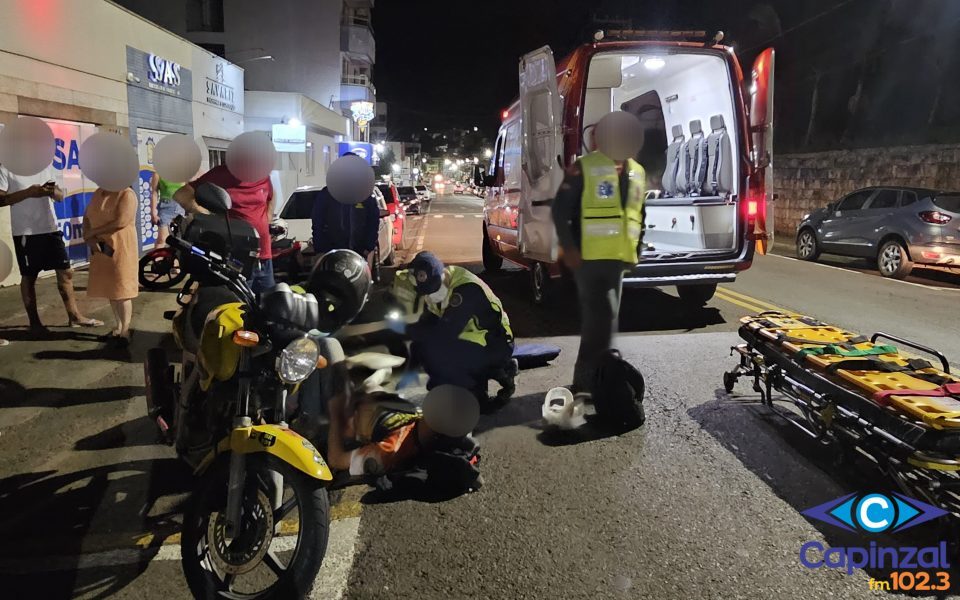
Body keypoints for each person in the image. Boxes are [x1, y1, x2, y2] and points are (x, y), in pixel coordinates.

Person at [551, 111, 647, 398]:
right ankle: (592, 380)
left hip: (618, 258)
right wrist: (569, 249)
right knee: (601, 318)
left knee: (604, 319)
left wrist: (636, 251)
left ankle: (591, 377)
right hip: (589, 258)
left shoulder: (637, 172)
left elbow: (638, 214)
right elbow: (560, 210)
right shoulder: (585, 166)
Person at [390, 251, 517, 405]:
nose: (431, 296)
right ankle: (490, 373)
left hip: (496, 342)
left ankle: (479, 395)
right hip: (473, 339)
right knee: (424, 347)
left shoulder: (466, 290)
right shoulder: (437, 284)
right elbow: (429, 321)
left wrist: (411, 333)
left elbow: (446, 333)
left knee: (445, 353)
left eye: (434, 290)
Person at [0, 164, 103, 336]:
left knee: (66, 272)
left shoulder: (46, 166)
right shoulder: (7, 168)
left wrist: (51, 192)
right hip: (25, 232)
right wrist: (29, 192)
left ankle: (75, 316)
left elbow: (61, 196)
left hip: (51, 228)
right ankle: (35, 323)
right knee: (29, 276)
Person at [173, 164, 275, 293]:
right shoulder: (220, 174)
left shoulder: (263, 176)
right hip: (237, 260)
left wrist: (267, 219)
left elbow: (270, 198)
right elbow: (182, 194)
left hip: (264, 257)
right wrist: (207, 217)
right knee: (237, 308)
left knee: (269, 306)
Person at [83, 186, 139, 346]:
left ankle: (125, 331)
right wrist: (88, 236)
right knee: (111, 289)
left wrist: (92, 232)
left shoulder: (127, 194)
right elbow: (87, 216)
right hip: (101, 248)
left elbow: (121, 221)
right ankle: (118, 327)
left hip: (121, 246)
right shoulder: (98, 193)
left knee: (122, 290)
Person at [310, 186, 379, 256]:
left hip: (358, 253)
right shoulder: (326, 194)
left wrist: (368, 247)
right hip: (332, 253)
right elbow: (317, 223)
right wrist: (320, 250)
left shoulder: (363, 194)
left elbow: (373, 222)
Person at [149, 172, 184, 247]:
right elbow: (154, 194)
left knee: (181, 241)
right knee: (162, 239)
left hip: (182, 207)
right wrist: (153, 212)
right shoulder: (157, 174)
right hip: (165, 208)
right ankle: (156, 258)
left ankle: (175, 258)